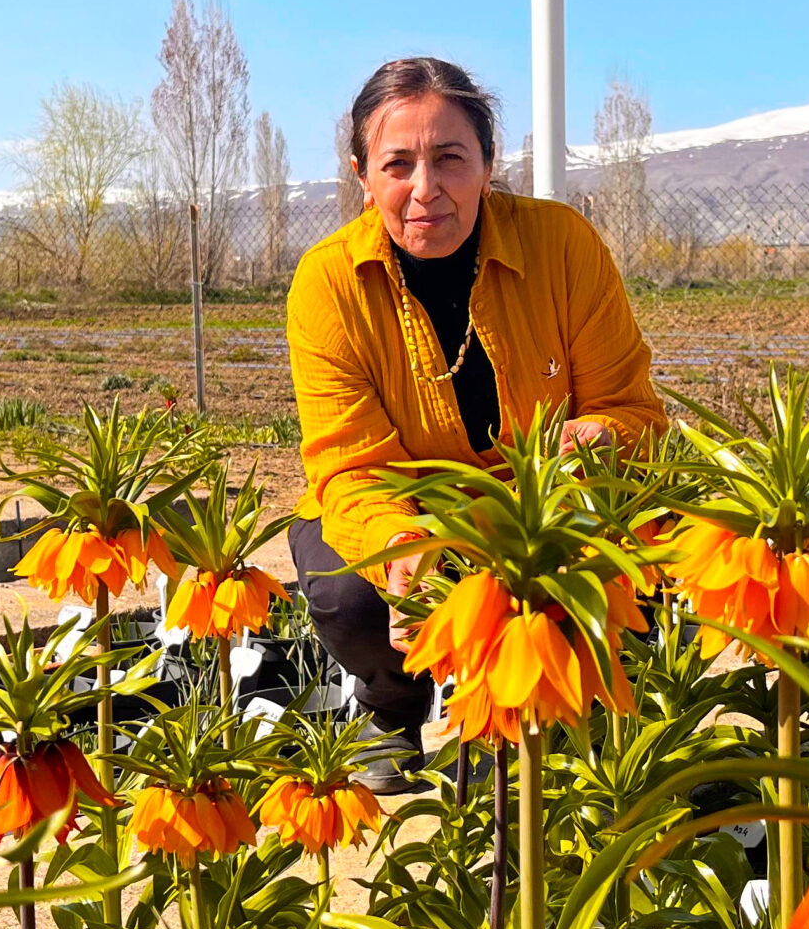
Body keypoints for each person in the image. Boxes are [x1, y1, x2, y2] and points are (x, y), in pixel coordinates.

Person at [285, 56, 666, 792]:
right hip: (408, 510)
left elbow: (636, 413)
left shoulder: (562, 245)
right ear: (363, 177)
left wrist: (601, 437)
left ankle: (559, 708)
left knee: (630, 555)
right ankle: (391, 703)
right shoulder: (328, 283)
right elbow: (349, 469)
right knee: (351, 590)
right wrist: (401, 549)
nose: (425, 188)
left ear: (489, 166)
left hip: (544, 506)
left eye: (450, 158)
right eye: (397, 164)